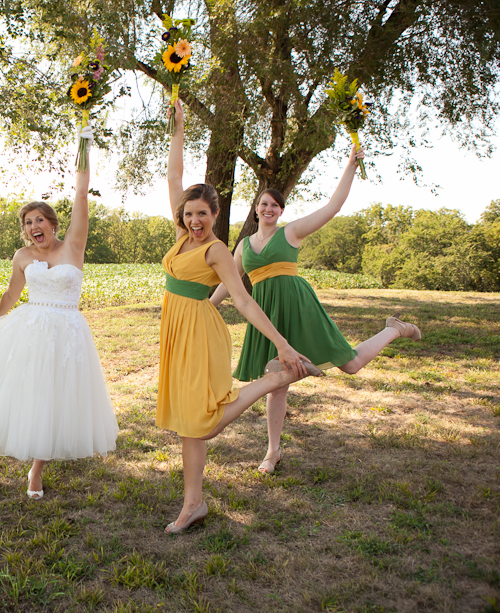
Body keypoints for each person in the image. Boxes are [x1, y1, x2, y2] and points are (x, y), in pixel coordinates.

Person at [159, 100, 324, 534]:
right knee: (187, 425)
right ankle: (193, 503)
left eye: (203, 214)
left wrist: (283, 344)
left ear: (216, 215)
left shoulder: (216, 251)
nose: (195, 220)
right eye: (189, 213)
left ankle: (274, 378)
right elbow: (174, 176)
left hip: (199, 330)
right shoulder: (181, 239)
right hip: (174, 329)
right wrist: (178, 127)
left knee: (203, 420)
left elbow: (245, 302)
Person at [209, 147, 422, 475]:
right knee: (276, 381)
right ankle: (272, 451)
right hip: (268, 316)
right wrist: (208, 307)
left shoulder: (290, 233)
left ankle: (394, 328)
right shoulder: (243, 246)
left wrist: (351, 165)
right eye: (264, 204)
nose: (269, 208)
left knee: (350, 364)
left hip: (299, 307)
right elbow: (231, 281)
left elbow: (332, 207)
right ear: (255, 209)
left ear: (281, 211)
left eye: (275, 205)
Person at [0, 131, 118, 499]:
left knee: (59, 393)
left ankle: (37, 467)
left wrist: (84, 147)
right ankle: (34, 469)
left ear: (53, 224)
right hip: (31, 328)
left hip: (68, 331)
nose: (34, 227)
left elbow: (81, 196)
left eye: (39, 220)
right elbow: (11, 293)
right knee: (33, 392)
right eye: (27, 223)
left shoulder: (73, 246)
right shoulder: (23, 257)